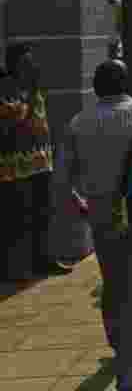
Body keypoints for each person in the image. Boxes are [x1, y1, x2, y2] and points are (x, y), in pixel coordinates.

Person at [66, 60, 132, 391]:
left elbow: (63, 177)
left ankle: (119, 343)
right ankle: (131, 371)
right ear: (125, 84)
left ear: (95, 88)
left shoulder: (79, 123)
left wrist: (79, 202)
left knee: (114, 282)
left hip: (102, 214)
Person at [0, 44, 73, 280]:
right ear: (14, 65)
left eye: (32, 62)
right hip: (15, 168)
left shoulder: (34, 89)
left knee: (43, 215)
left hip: (40, 163)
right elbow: (16, 119)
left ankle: (44, 261)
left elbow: (41, 122)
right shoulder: (5, 87)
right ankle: (15, 269)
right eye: (26, 62)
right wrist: (31, 96)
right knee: (17, 220)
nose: (32, 67)